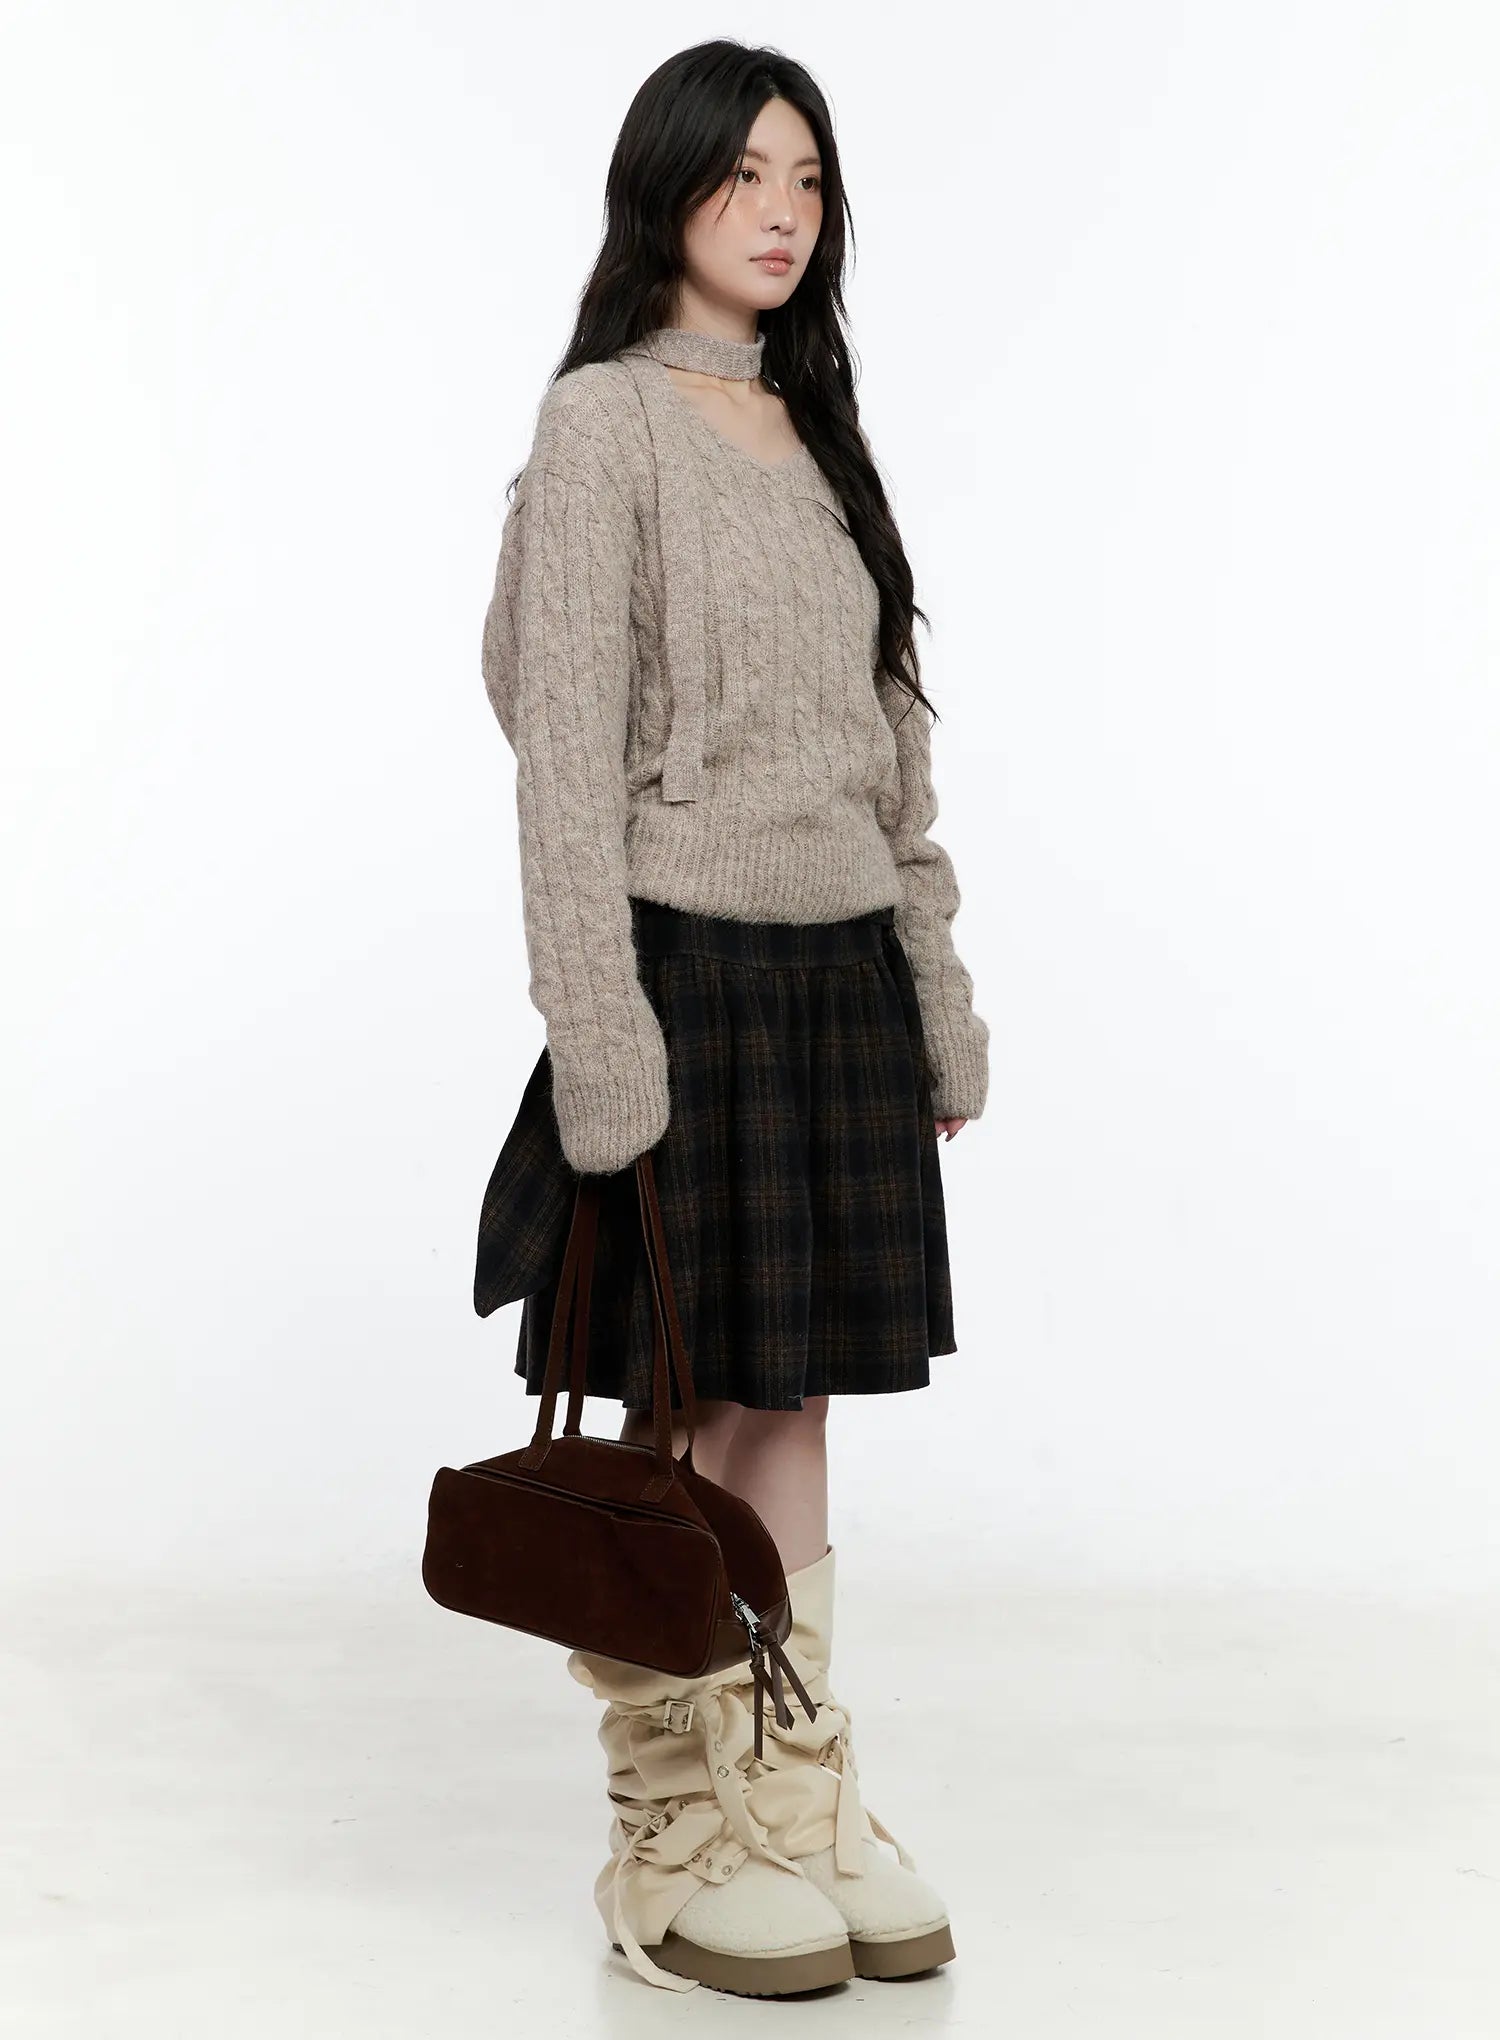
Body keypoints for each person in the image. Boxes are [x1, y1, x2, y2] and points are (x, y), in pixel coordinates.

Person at [474, 40, 989, 1998]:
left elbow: (894, 759)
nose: (782, 212)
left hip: (839, 978)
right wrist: (599, 1036)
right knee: (688, 1402)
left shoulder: (821, 436)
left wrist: (935, 996)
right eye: (744, 175)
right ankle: (672, 1836)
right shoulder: (604, 424)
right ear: (666, 192)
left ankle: (794, 1794)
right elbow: (559, 766)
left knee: (793, 1395)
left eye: (810, 180)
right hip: (684, 975)